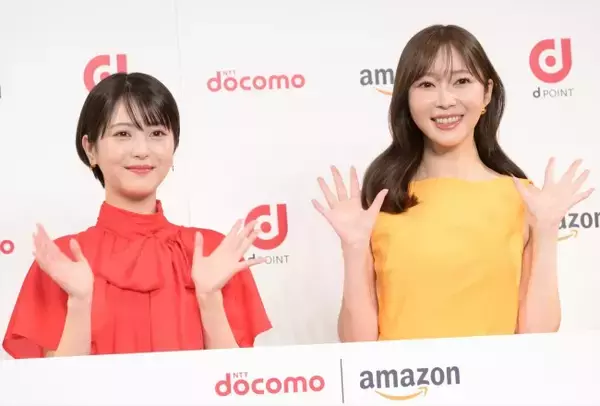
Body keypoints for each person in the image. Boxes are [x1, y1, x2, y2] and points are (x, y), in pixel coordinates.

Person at [313, 24, 593, 342]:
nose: (445, 100)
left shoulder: (523, 199)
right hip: (405, 371)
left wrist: (546, 228)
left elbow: (537, 334)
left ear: (486, 92)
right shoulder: (382, 201)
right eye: (427, 84)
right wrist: (353, 247)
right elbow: (357, 344)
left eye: (461, 81)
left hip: (492, 374)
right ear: (406, 97)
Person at [3, 72, 271, 358]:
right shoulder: (62, 260)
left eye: (157, 134)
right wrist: (79, 303)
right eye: (123, 134)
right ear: (90, 149)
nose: (142, 150)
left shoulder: (212, 252)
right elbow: (54, 384)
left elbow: (234, 379)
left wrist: (209, 297)